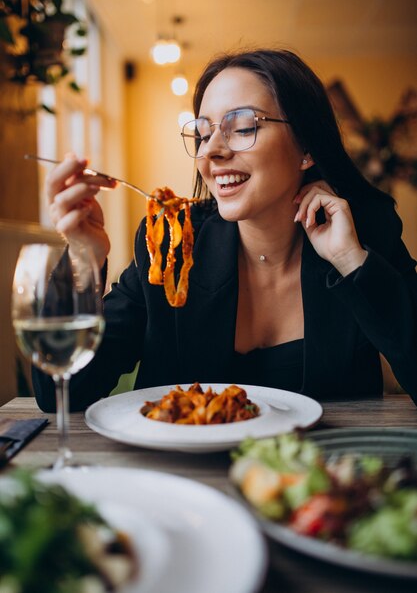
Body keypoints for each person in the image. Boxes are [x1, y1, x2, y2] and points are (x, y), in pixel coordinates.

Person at [33, 49, 417, 412]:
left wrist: (351, 261)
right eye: (203, 132)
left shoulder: (364, 233)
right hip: (179, 475)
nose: (211, 151)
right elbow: (59, 391)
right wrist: (83, 256)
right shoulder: (170, 245)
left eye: (243, 127)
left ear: (306, 148)